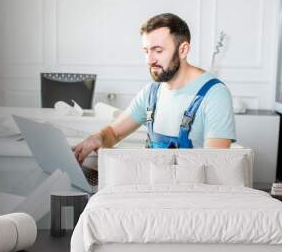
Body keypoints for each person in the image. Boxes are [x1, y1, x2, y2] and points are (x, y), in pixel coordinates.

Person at [73, 13, 236, 163]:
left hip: (192, 193)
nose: (149, 60)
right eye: (146, 51)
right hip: (152, 190)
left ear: (183, 50)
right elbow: (114, 133)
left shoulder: (215, 95)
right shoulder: (151, 93)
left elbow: (216, 165)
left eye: (158, 50)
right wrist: (98, 138)